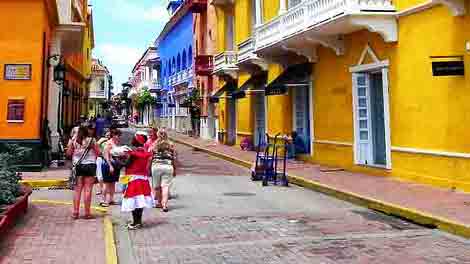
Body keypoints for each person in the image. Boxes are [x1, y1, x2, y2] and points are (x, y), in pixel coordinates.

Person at [66, 125, 100, 219]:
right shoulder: (91, 140)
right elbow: (98, 152)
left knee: (77, 190)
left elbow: (68, 154)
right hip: (90, 165)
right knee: (88, 189)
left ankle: (75, 212)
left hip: (78, 166)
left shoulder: (74, 140)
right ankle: (87, 212)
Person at [121, 134, 153, 230]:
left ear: (137, 141)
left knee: (134, 201)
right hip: (143, 178)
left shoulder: (134, 154)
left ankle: (135, 222)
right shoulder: (145, 153)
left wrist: (119, 160)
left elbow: (126, 165)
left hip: (133, 178)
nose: (132, 140)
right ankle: (138, 221)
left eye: (134, 139)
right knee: (140, 201)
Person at [151, 129, 177, 212]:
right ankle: (164, 204)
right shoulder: (171, 144)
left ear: (158, 135)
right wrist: (175, 169)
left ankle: (159, 202)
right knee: (165, 186)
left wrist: (148, 168)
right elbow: (174, 158)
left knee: (157, 187)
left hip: (156, 166)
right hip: (168, 166)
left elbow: (150, 156)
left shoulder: (154, 144)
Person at [101, 129, 122, 207]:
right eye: (117, 135)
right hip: (108, 165)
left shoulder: (115, 143)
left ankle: (111, 199)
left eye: (119, 136)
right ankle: (103, 200)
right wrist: (110, 166)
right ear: (113, 135)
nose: (119, 137)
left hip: (114, 164)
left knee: (113, 183)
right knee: (106, 183)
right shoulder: (109, 144)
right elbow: (106, 156)